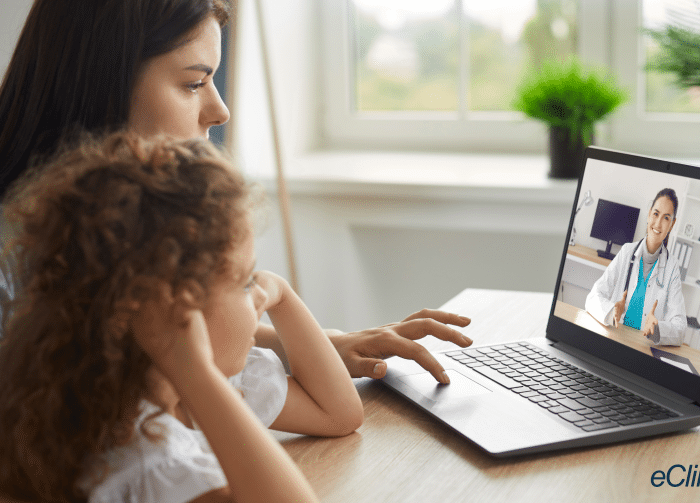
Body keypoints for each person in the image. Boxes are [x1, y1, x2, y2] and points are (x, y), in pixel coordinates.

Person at [0, 0, 471, 384]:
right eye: (193, 83)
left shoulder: (109, 224)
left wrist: (321, 344)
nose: (220, 111)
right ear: (104, 80)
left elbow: (156, 340)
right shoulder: (13, 260)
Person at [0, 132, 365, 502]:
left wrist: (282, 295)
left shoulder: (211, 387)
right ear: (178, 313)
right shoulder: (147, 462)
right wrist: (199, 376)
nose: (258, 296)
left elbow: (341, 415)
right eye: (244, 282)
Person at [585, 188, 686, 346]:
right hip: (615, 340)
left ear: (672, 225)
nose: (658, 223)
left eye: (666, 218)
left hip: (643, 347)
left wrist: (658, 328)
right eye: (656, 214)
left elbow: (680, 328)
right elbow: (592, 297)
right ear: (649, 214)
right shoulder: (627, 251)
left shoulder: (672, 267)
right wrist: (612, 311)